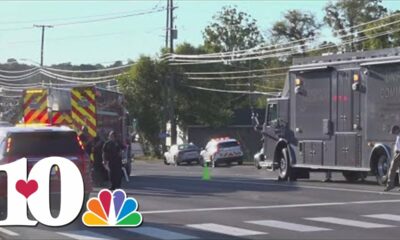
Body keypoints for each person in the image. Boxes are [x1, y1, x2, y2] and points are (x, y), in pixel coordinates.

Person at [384, 125, 400, 192]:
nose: (393, 133)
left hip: (398, 153)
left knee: (392, 169)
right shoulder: (398, 135)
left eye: (394, 131)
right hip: (397, 153)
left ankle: (390, 185)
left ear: (397, 130)